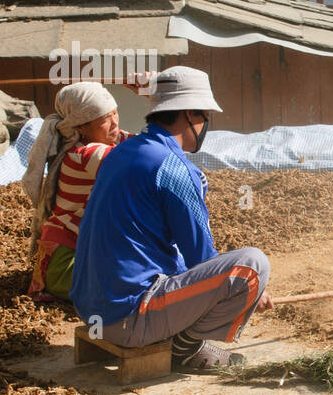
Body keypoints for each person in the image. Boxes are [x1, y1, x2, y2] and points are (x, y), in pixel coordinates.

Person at [70, 67, 272, 372]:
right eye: (205, 116)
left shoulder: (124, 151)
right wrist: (252, 291)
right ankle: (184, 349)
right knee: (251, 265)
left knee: (175, 255)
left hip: (93, 311)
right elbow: (201, 258)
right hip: (128, 319)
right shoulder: (174, 168)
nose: (205, 125)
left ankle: (172, 336)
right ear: (191, 115)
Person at [22, 82, 131, 303]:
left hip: (88, 252)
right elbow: (138, 162)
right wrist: (155, 95)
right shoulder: (83, 154)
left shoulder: (110, 137)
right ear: (80, 126)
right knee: (128, 283)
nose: (114, 122)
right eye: (104, 118)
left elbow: (150, 144)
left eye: (115, 112)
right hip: (65, 263)